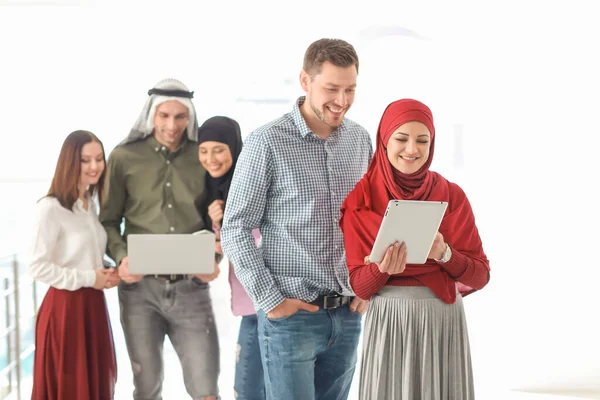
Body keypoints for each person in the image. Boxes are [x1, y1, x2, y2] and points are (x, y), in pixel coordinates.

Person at [221, 38, 372, 400]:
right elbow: (236, 228)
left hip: (349, 313)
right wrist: (271, 300)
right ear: (305, 81)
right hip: (291, 317)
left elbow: (370, 221)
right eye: (331, 88)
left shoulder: (360, 140)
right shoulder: (266, 143)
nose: (342, 101)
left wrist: (370, 285)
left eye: (350, 89)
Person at [340, 98, 491, 399]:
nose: (412, 150)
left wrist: (444, 254)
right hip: (389, 320)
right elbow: (359, 285)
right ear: (384, 141)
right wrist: (381, 270)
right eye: (401, 138)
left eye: (423, 140)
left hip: (442, 321)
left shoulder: (451, 195)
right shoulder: (362, 197)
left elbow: (480, 276)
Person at [100, 78, 219, 400]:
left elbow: (217, 218)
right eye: (164, 116)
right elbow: (109, 220)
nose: (172, 125)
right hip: (139, 292)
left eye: (180, 117)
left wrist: (215, 259)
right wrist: (121, 257)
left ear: (190, 117)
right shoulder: (124, 157)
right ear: (151, 115)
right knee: (146, 388)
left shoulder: (203, 156)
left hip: (192, 288)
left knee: (206, 389)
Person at [29, 130, 119, 400]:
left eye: (99, 159)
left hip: (92, 306)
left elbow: (81, 256)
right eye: (85, 160)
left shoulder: (89, 205)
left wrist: (105, 271)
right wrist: (92, 277)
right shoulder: (50, 208)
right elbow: (38, 266)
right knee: (71, 387)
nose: (95, 167)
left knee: (96, 384)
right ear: (70, 162)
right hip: (65, 310)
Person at [197, 116, 265, 400]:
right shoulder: (216, 190)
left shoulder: (249, 185)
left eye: (219, 150)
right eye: (203, 151)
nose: (210, 159)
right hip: (251, 304)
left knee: (249, 390)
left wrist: (223, 225)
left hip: (264, 303)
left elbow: (259, 243)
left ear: (234, 149)